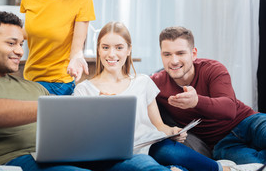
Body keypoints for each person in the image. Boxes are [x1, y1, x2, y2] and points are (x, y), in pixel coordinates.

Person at [0, 11, 180, 171]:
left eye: (21, 44)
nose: (20, 51)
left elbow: (71, 124)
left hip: (67, 155)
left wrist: (97, 114)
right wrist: (60, 109)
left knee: (143, 164)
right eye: (11, 43)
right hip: (18, 161)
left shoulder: (34, 87)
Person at [73, 21, 251, 171]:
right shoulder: (84, 90)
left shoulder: (142, 82)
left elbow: (159, 125)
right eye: (105, 47)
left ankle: (223, 168)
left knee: (171, 151)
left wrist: (172, 132)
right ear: (98, 50)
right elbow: (79, 137)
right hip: (110, 153)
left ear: (128, 50)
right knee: (145, 164)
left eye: (119, 47)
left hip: (148, 146)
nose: (112, 54)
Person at [151, 26, 266, 165]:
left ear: (193, 53)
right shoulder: (154, 84)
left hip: (248, 122)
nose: (173, 60)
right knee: (261, 164)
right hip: (222, 144)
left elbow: (229, 110)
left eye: (180, 53)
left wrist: (196, 101)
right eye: (167, 54)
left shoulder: (212, 69)